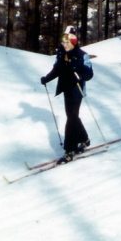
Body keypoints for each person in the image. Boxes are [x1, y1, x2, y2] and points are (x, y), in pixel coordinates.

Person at [41, 26, 94, 159]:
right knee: (73, 116)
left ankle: (69, 150)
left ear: (74, 41)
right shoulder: (61, 54)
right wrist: (46, 79)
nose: (66, 44)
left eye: (69, 41)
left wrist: (80, 75)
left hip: (77, 90)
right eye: (64, 40)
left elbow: (89, 73)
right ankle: (84, 139)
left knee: (71, 117)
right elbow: (56, 70)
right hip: (66, 88)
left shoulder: (83, 55)